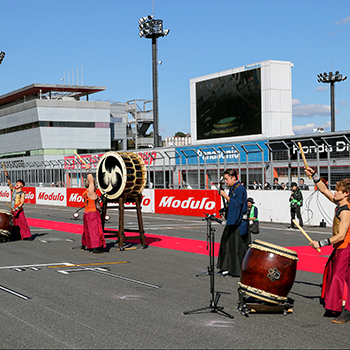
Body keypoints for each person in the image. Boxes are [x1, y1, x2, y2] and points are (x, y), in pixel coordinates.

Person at [306, 167, 350, 324]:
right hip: (341, 246)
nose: (335, 192)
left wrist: (320, 243)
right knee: (332, 272)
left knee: (338, 276)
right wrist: (314, 175)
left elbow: (341, 235)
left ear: (346, 194)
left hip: (346, 246)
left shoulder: (346, 211)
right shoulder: (338, 203)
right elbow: (324, 190)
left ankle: (341, 310)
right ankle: (340, 307)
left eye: (338, 191)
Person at [217, 169, 251, 277]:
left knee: (237, 247)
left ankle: (238, 270)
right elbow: (231, 204)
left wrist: (225, 196)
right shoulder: (233, 188)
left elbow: (237, 204)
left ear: (234, 178)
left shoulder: (240, 189)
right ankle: (227, 267)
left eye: (227, 179)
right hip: (233, 221)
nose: (226, 181)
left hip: (239, 223)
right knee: (227, 244)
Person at [81, 164, 106, 254]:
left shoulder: (85, 192)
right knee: (95, 230)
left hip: (86, 213)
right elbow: (91, 181)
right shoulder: (90, 191)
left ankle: (85, 244)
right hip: (92, 213)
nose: (96, 186)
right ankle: (95, 247)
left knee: (87, 230)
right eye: (95, 185)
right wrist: (88, 170)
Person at [5, 172, 32, 240]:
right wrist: (7, 177)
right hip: (13, 209)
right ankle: (15, 235)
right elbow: (10, 184)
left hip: (19, 210)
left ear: (22, 185)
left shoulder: (22, 193)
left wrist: (16, 209)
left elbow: (22, 202)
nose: (17, 183)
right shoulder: (13, 190)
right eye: (17, 182)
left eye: (19, 183)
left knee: (23, 223)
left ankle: (26, 236)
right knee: (13, 223)